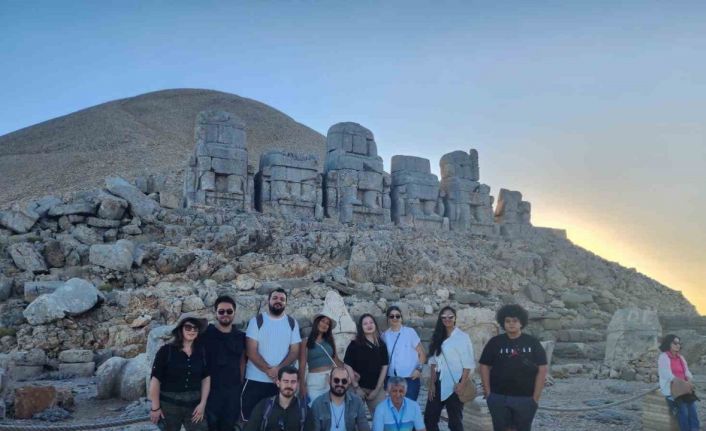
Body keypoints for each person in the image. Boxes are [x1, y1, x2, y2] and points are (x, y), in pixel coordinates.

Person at [479, 304, 547, 431]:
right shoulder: (495, 342)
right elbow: (484, 365)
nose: (511, 324)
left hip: (525, 398)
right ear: (503, 322)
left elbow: (542, 368)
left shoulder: (532, 342)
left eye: (515, 321)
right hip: (498, 397)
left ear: (521, 322)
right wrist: (488, 393)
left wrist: (536, 397)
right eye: (508, 321)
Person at [242, 288, 302, 421]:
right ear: (268, 300)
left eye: (282, 299)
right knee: (251, 420)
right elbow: (251, 351)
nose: (278, 301)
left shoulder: (292, 323)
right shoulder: (256, 321)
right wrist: (268, 370)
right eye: (275, 298)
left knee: (276, 422)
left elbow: (294, 352)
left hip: (279, 383)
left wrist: (278, 370)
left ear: (286, 303)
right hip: (255, 380)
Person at [149, 315, 211, 431]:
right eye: (188, 327)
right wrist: (155, 407)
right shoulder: (166, 351)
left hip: (194, 406)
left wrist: (203, 404)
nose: (192, 330)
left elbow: (206, 378)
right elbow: (155, 379)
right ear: (180, 329)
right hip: (169, 407)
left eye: (195, 328)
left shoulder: (201, 352)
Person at [424, 306, 475, 431]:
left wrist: (462, 384)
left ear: (455, 318)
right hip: (438, 381)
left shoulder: (462, 337)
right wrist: (432, 383)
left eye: (450, 317)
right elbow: (433, 361)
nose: (447, 319)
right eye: (444, 317)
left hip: (455, 383)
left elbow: (468, 363)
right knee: (429, 418)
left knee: (455, 422)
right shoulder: (438, 336)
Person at [201, 295, 246, 431]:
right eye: (221, 311)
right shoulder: (206, 334)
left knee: (229, 426)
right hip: (211, 391)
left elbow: (242, 361)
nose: (225, 314)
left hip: (233, 392)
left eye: (229, 311)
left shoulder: (240, 336)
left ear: (234, 313)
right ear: (215, 313)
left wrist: (240, 382)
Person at [243, 366, 314, 431]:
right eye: (286, 381)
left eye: (293, 382)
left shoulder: (304, 410)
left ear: (297, 384)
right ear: (278, 383)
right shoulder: (264, 406)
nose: (289, 385)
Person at [344, 313, 389, 413]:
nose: (369, 325)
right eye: (365, 323)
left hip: (376, 388)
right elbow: (347, 364)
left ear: (375, 325)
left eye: (371, 322)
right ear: (361, 327)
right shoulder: (354, 344)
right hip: (357, 388)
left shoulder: (381, 345)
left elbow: (384, 367)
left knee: (381, 416)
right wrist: (356, 387)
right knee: (353, 416)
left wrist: (377, 389)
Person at [299, 312, 346, 404]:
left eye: (327, 324)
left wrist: (349, 370)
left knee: (332, 407)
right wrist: (302, 385)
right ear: (317, 322)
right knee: (314, 406)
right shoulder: (305, 341)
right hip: (314, 380)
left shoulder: (330, 341)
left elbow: (336, 360)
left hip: (331, 378)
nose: (325, 324)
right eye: (323, 321)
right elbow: (302, 365)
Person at [382, 306, 426, 401]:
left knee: (409, 406)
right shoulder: (384, 336)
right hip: (392, 379)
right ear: (388, 319)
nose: (395, 318)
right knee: (393, 406)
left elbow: (422, 353)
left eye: (397, 316)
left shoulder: (410, 332)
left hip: (410, 378)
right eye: (392, 316)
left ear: (401, 318)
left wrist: (419, 369)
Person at [658, 334, 700, 431]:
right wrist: (683, 383)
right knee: (683, 411)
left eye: (679, 343)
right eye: (675, 343)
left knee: (693, 409)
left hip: (684, 388)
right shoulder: (663, 357)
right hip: (672, 389)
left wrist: (689, 379)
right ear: (668, 343)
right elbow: (667, 375)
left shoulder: (680, 357)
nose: (678, 345)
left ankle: (695, 429)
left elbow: (687, 371)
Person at [310, 366, 371, 431]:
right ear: (329, 380)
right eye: (336, 380)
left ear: (348, 382)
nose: (340, 384)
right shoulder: (318, 404)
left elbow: (364, 427)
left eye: (344, 381)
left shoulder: (357, 402)